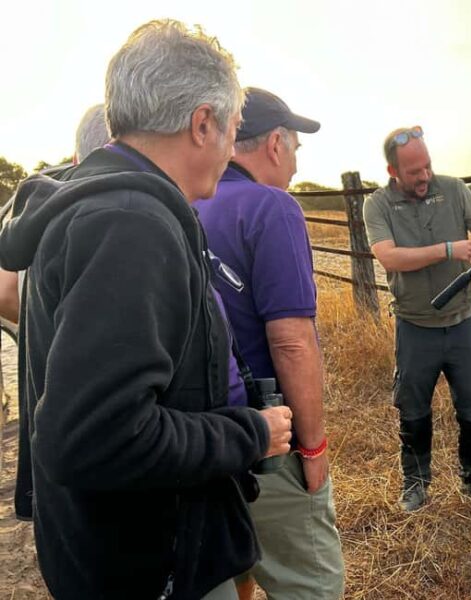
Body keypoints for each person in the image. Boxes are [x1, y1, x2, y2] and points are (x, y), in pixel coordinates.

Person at [0, 20, 293, 600]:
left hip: (105, 550)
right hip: (147, 562)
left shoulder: (107, 203)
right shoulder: (131, 224)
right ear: (202, 123)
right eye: (233, 129)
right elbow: (94, 437)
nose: (233, 150)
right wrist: (248, 433)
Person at [196, 87, 344, 600]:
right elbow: (292, 342)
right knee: (313, 585)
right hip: (267, 440)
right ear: (276, 142)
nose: (297, 167)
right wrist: (314, 446)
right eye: (297, 150)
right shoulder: (271, 207)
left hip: (199, 440)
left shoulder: (182, 200)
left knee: (233, 564)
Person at [363, 126, 471, 519]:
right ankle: (416, 482)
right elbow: (389, 258)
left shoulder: (456, 189)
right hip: (414, 325)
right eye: (413, 172)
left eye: (426, 167)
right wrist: (448, 250)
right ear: (393, 171)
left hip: (461, 321)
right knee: (412, 406)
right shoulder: (377, 205)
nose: (423, 176)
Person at [0, 103, 110, 326]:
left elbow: (4, 292)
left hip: (43, 356)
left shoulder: (36, 210)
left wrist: (45, 329)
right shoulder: (124, 216)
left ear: (75, 160)